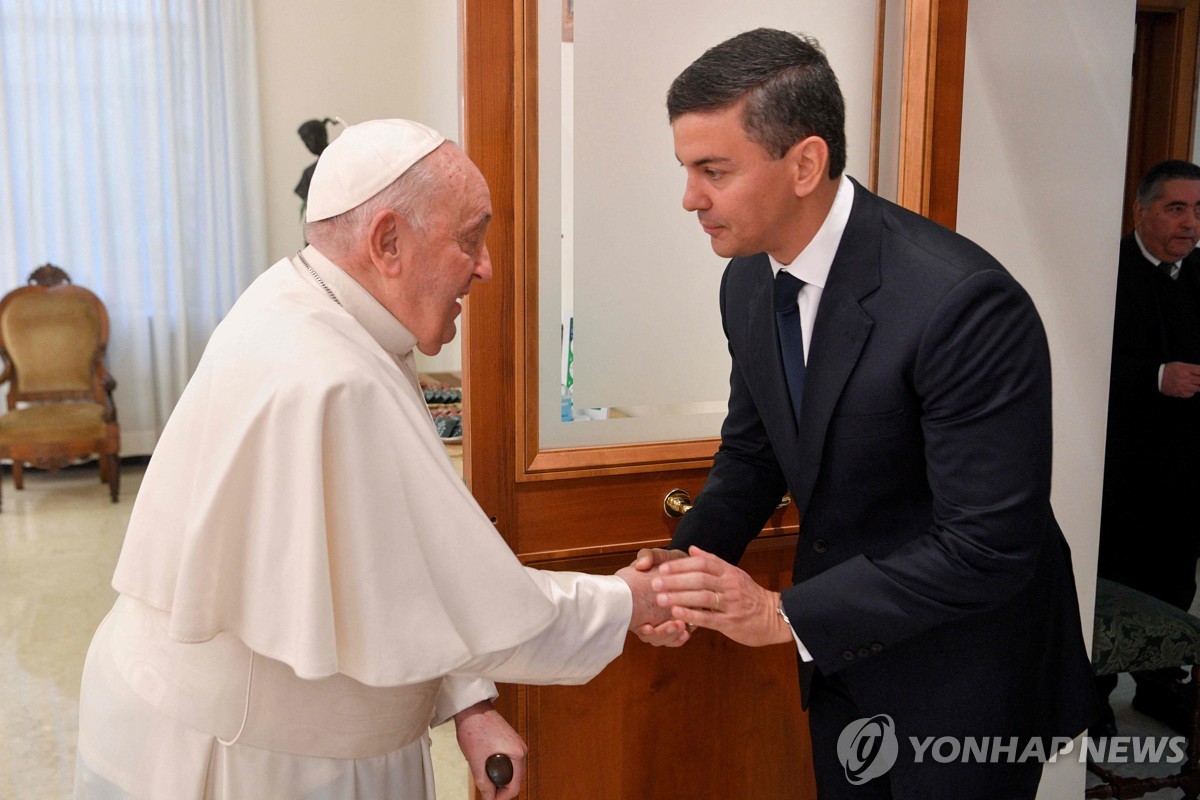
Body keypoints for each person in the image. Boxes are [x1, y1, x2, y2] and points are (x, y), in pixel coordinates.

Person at [74, 119, 670, 800]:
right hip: (255, 761)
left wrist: (466, 703)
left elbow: (392, 573)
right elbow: (466, 595)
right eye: (470, 239)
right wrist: (630, 602)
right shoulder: (329, 374)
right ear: (387, 242)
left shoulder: (316, 304)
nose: (486, 267)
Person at [634, 28, 1097, 798]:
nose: (691, 197)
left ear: (806, 163)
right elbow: (756, 453)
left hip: (968, 679)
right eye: (687, 169)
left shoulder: (960, 302)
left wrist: (786, 616)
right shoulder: (748, 282)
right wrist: (683, 567)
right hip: (845, 658)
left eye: (714, 170)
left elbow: (988, 544)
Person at [1095, 159, 1200, 735]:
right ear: (1142, 210)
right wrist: (1155, 376)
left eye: (1199, 210)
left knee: (1174, 579)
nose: (1190, 224)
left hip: (1186, 467)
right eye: (1176, 208)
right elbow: (1079, 358)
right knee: (1115, 574)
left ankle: (1162, 686)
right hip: (1123, 463)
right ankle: (1095, 695)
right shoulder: (1108, 268)